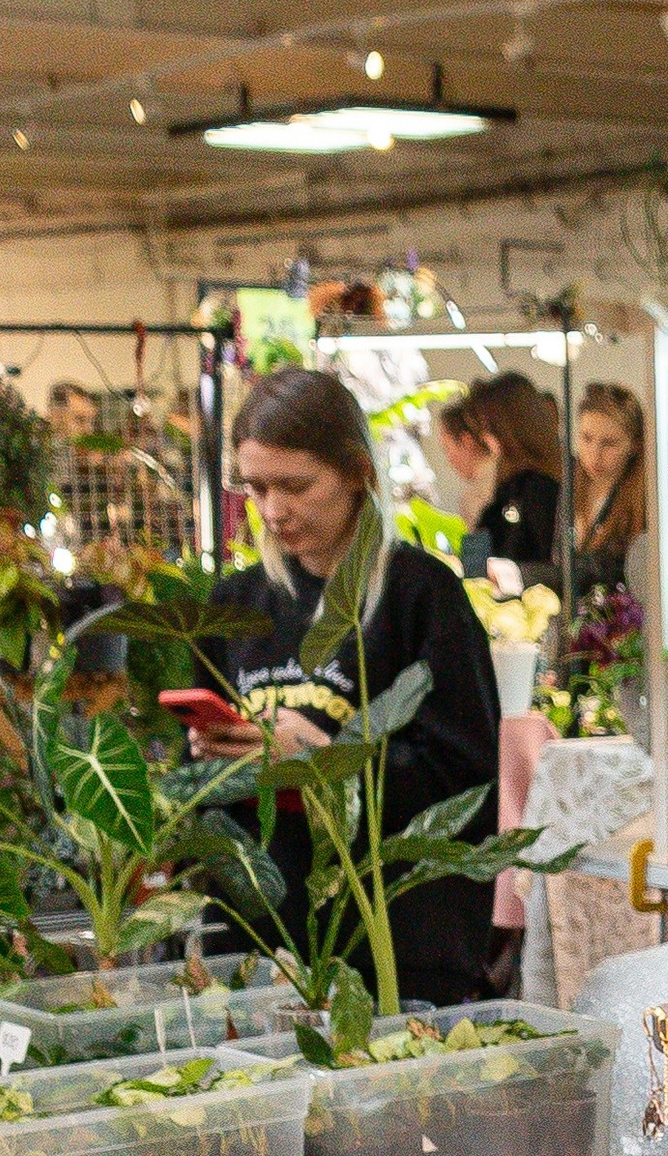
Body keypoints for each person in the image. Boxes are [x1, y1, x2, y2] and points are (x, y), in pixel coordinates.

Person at [202, 365, 504, 1005]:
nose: (274, 511)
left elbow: (466, 782)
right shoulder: (235, 604)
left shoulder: (421, 597)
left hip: (397, 953)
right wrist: (211, 761)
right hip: (268, 949)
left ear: (358, 472)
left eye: (295, 486)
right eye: (256, 488)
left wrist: (330, 763)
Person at [431, 371, 563, 579]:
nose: (488, 441)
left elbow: (550, 567)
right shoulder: (509, 489)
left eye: (489, 430)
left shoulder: (539, 489)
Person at [568, 382, 647, 600]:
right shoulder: (569, 490)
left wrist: (520, 574)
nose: (594, 453)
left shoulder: (645, 501)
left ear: (634, 445)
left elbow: (606, 571)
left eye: (609, 443)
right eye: (586, 438)